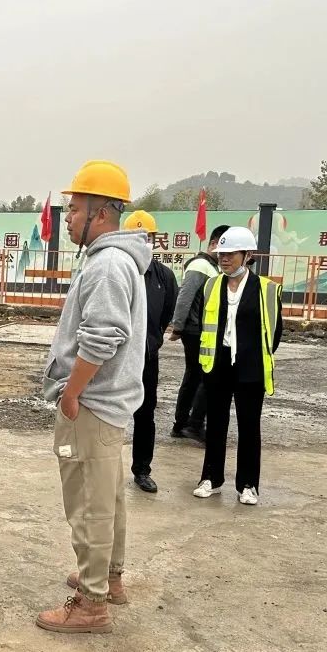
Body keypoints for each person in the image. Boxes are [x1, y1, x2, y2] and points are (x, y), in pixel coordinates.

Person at [36, 160, 151, 635]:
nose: (67, 217)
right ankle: (109, 578)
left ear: (100, 213)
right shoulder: (117, 260)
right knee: (108, 497)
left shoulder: (106, 265)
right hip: (108, 405)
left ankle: (91, 602)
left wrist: (71, 393)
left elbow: (101, 338)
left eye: (74, 208)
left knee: (88, 502)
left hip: (92, 404)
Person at [192, 227, 282, 505]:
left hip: (250, 366)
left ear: (247, 255)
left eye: (231, 254)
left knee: (249, 426)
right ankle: (211, 478)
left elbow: (275, 331)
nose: (224, 259)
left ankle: (248, 485)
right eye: (222, 254)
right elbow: (203, 323)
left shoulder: (266, 289)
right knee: (216, 424)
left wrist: (252, 353)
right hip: (217, 364)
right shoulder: (211, 286)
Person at [123, 211, 177, 493]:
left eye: (148, 237)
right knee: (108, 414)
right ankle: (103, 468)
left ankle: (142, 469)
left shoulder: (163, 276)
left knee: (145, 415)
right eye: (136, 237)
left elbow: (167, 313)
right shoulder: (117, 270)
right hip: (116, 359)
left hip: (146, 358)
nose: (143, 242)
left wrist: (152, 341)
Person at [169, 225, 230, 442]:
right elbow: (185, 296)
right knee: (203, 376)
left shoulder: (211, 266)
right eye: (223, 248)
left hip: (200, 330)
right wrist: (178, 326)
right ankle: (192, 424)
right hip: (195, 330)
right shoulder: (200, 265)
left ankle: (183, 424)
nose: (225, 255)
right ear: (213, 244)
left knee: (195, 376)